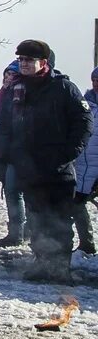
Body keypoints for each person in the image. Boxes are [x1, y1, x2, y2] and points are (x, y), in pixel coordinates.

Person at [0, 40, 92, 282]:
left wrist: (70, 151)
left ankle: (60, 267)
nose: (24, 64)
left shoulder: (63, 88)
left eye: (29, 60)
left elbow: (83, 120)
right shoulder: (17, 89)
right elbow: (4, 123)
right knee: (36, 217)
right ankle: (42, 262)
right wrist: (9, 152)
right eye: (21, 60)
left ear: (43, 63)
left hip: (58, 165)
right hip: (28, 165)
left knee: (59, 218)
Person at [0, 61, 26, 247]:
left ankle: (27, 232)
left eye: (13, 74)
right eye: (6, 74)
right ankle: (16, 232)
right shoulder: (7, 92)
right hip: (8, 151)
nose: (9, 78)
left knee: (24, 193)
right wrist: (3, 90)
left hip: (26, 150)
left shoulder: (24, 91)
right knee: (11, 191)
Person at [75, 67, 98, 255]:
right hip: (83, 164)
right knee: (77, 203)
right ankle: (86, 243)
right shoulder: (84, 103)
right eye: (95, 79)